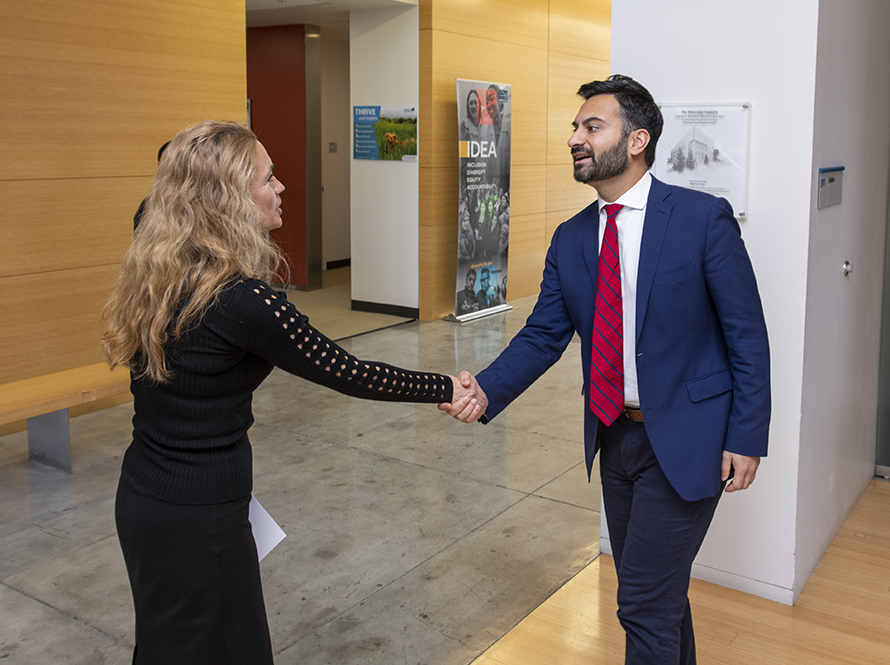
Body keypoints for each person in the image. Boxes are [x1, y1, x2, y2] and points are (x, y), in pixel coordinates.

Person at [101, 120, 482, 665]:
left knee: (168, 646)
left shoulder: (159, 261)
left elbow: (156, 202)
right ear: (228, 197)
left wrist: (189, 165)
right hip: (200, 516)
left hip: (144, 499)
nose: (282, 188)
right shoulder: (242, 303)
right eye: (268, 178)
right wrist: (445, 384)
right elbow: (350, 372)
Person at [441, 75, 770, 665]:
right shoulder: (571, 239)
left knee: (642, 600)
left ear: (638, 139)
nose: (575, 138)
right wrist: (484, 391)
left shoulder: (701, 219)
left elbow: (746, 334)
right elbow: (544, 335)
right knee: (659, 593)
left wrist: (747, 436)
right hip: (615, 439)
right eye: (575, 127)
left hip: (690, 438)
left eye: (592, 126)